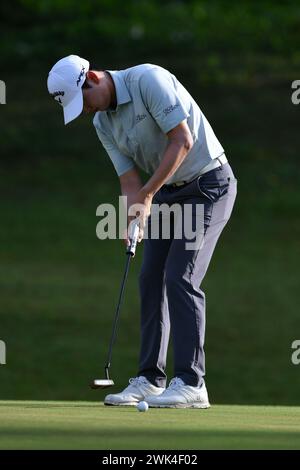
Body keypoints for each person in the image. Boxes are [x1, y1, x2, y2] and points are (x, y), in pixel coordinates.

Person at [47, 55, 237, 408]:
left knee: (181, 275)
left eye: (84, 100)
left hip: (208, 184)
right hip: (167, 191)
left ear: (92, 77)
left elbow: (181, 140)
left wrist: (147, 196)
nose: (86, 110)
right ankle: (150, 378)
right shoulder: (103, 122)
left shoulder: (148, 80)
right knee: (150, 276)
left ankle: (192, 383)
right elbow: (128, 180)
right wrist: (132, 217)